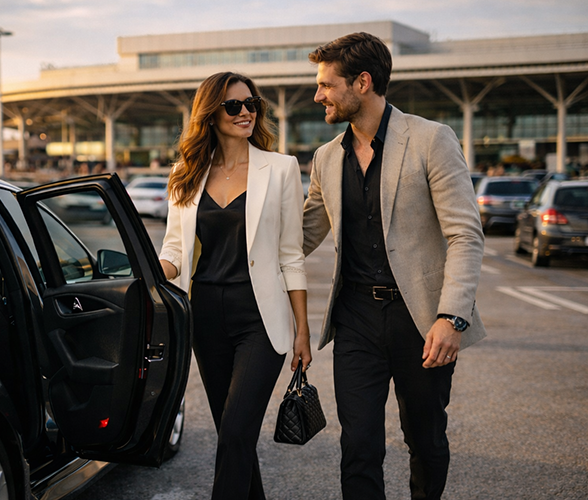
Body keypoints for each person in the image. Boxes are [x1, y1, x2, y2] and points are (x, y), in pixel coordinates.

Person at [302, 33, 486, 500]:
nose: (317, 94)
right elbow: (301, 236)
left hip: (420, 320)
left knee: (425, 440)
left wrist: (452, 317)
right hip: (356, 320)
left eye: (326, 84)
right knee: (358, 446)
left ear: (362, 82)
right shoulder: (326, 158)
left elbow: (465, 234)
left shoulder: (430, 139)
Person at [159, 71, 311, 500]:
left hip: (260, 317)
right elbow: (174, 249)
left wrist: (302, 329)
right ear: (211, 114)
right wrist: (146, 271)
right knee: (233, 433)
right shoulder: (184, 174)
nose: (246, 112)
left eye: (252, 104)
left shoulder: (280, 169)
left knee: (237, 430)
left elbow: (291, 255)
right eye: (233, 106)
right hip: (205, 315)